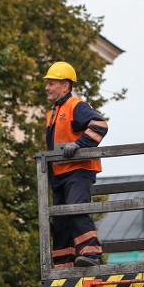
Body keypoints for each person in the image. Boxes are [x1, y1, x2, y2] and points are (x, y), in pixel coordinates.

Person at [43, 61, 108, 268]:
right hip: (60, 174)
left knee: (77, 210)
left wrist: (78, 144)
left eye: (51, 83)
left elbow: (100, 125)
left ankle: (92, 255)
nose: (47, 87)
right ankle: (64, 264)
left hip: (78, 171)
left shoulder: (75, 106)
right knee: (61, 221)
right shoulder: (52, 114)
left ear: (65, 86)